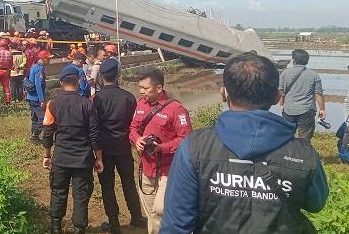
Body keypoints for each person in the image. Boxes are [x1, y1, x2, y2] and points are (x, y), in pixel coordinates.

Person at [161, 52, 329, 233]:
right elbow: (316, 203)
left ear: (224, 93)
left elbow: (176, 224)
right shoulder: (303, 153)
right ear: (277, 96)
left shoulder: (194, 147)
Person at [42, 65, 104, 234]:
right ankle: (79, 229)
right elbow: (94, 134)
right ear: (78, 81)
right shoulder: (87, 104)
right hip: (83, 160)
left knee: (58, 191)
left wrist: (47, 156)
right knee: (81, 195)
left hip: (61, 158)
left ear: (61, 82)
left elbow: (48, 133)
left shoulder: (52, 104)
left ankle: (55, 227)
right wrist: (98, 158)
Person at [129, 67, 191, 234]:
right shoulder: (140, 104)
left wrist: (161, 148)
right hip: (146, 169)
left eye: (145, 88)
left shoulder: (176, 109)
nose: (142, 91)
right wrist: (137, 139)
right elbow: (133, 128)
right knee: (151, 213)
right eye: (140, 87)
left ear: (159, 88)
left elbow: (186, 139)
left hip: (168, 171)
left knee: (160, 209)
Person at [92, 58, 146, 233]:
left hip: (104, 150)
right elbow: (135, 125)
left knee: (107, 186)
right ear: (118, 74)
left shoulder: (96, 99)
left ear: (102, 76)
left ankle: (114, 224)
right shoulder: (128, 97)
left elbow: (94, 126)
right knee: (128, 183)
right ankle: (136, 217)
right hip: (124, 147)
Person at [278, 49, 324, 143]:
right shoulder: (314, 75)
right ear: (307, 60)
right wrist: (322, 109)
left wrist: (282, 105)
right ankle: (303, 151)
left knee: (286, 138)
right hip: (306, 111)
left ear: (293, 60)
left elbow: (281, 92)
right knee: (305, 140)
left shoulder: (285, 73)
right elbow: (318, 94)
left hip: (288, 110)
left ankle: (288, 152)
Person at [27, 50, 53, 144]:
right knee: (42, 118)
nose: (49, 61)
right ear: (44, 59)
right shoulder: (39, 69)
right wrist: (42, 100)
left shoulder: (34, 66)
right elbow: (38, 85)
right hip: (36, 98)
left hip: (31, 96)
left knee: (35, 117)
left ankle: (33, 136)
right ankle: (35, 136)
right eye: (48, 59)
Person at [0, 38, 14, 105]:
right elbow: (11, 64)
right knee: (6, 87)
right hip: (6, 71)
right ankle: (8, 101)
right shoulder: (10, 53)